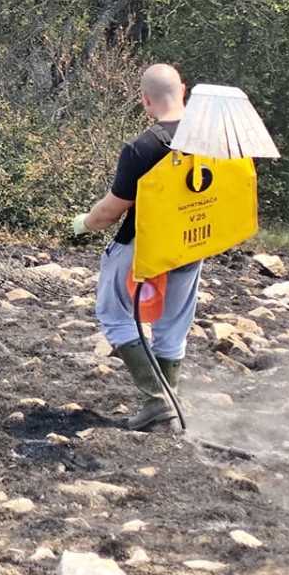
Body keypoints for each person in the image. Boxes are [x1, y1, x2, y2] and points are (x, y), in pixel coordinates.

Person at [70, 63, 202, 431]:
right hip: (194, 244)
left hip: (143, 245)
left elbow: (110, 212)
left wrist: (82, 223)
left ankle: (158, 402)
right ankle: (168, 410)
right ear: (183, 89)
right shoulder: (213, 140)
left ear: (145, 101)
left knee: (115, 315)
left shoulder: (143, 147)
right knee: (172, 327)